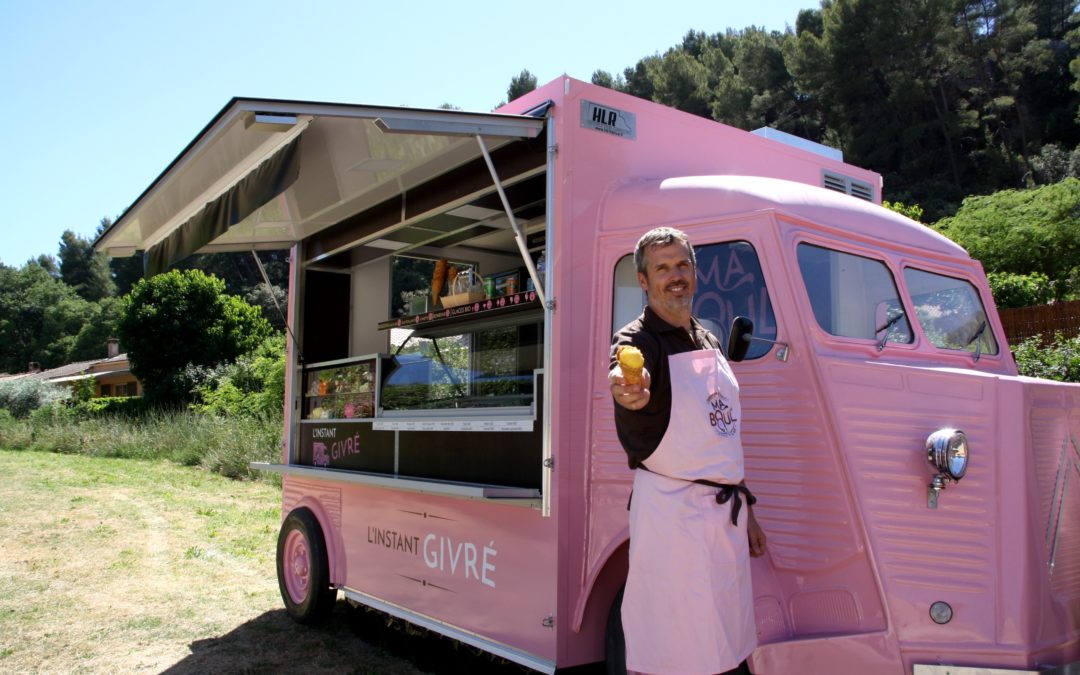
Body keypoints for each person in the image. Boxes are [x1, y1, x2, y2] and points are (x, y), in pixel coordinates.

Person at [609, 226, 766, 675]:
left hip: (723, 514)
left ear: (694, 273)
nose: (674, 276)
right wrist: (627, 388)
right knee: (677, 646)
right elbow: (624, 377)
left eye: (682, 265)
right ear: (644, 281)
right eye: (662, 268)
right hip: (674, 518)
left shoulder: (709, 339)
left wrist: (748, 509)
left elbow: (723, 436)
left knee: (722, 640)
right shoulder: (637, 340)